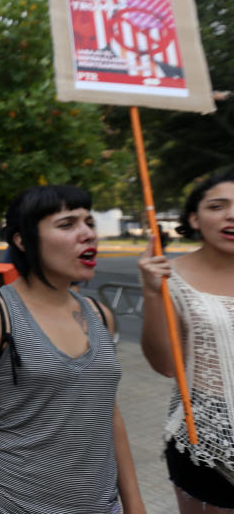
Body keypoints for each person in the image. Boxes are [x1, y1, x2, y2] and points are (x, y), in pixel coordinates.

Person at [0, 185, 145, 514]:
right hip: (18, 505)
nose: (87, 234)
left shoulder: (102, 315)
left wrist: (135, 504)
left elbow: (110, 415)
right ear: (22, 240)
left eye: (89, 222)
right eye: (67, 224)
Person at [138, 171, 234, 512]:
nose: (231, 215)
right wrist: (152, 293)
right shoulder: (170, 277)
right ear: (194, 217)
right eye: (217, 206)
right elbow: (164, 364)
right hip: (205, 438)